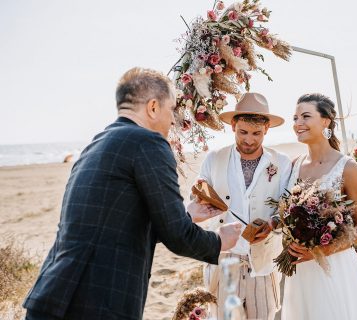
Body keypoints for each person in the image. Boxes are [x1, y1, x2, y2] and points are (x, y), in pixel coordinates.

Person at [23, 67, 241, 320]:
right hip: (96, 302)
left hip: (53, 295)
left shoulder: (96, 144)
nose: (173, 121)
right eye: (171, 109)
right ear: (152, 107)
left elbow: (114, 226)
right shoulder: (149, 143)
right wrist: (219, 242)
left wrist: (187, 216)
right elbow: (178, 237)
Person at [188, 92, 292, 320]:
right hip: (225, 259)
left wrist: (272, 223)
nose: (249, 140)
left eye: (256, 133)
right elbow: (195, 197)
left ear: (266, 129)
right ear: (233, 125)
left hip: (264, 262)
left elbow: (287, 206)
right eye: (243, 132)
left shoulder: (281, 163)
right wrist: (201, 196)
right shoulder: (214, 158)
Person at [281, 93, 357, 320]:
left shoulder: (348, 168)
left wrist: (320, 251)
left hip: (334, 268)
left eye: (306, 116)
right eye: (295, 118)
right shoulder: (294, 165)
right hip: (300, 271)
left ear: (326, 121)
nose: (298, 124)